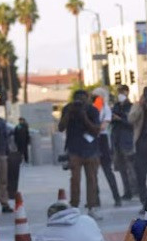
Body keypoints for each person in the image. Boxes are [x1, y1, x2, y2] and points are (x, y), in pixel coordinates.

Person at [59, 89, 103, 219]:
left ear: (88, 99)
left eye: (82, 99)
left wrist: (84, 116)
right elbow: (61, 127)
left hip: (91, 150)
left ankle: (92, 207)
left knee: (92, 180)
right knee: (75, 180)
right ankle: (74, 207)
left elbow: (96, 130)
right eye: (77, 98)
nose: (80, 101)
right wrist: (68, 113)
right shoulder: (68, 108)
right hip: (74, 149)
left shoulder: (92, 110)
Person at [93, 87, 124, 207]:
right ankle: (95, 199)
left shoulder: (105, 109)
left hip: (102, 140)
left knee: (107, 171)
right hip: (93, 139)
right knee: (93, 172)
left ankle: (116, 197)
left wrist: (92, 127)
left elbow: (104, 125)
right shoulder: (92, 108)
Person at [110, 86, 138, 200]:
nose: (120, 94)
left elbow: (132, 123)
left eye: (122, 92)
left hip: (127, 140)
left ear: (127, 92)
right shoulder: (116, 106)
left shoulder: (131, 107)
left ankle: (135, 190)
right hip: (116, 140)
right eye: (119, 92)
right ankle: (127, 192)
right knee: (121, 168)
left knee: (131, 167)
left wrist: (120, 119)